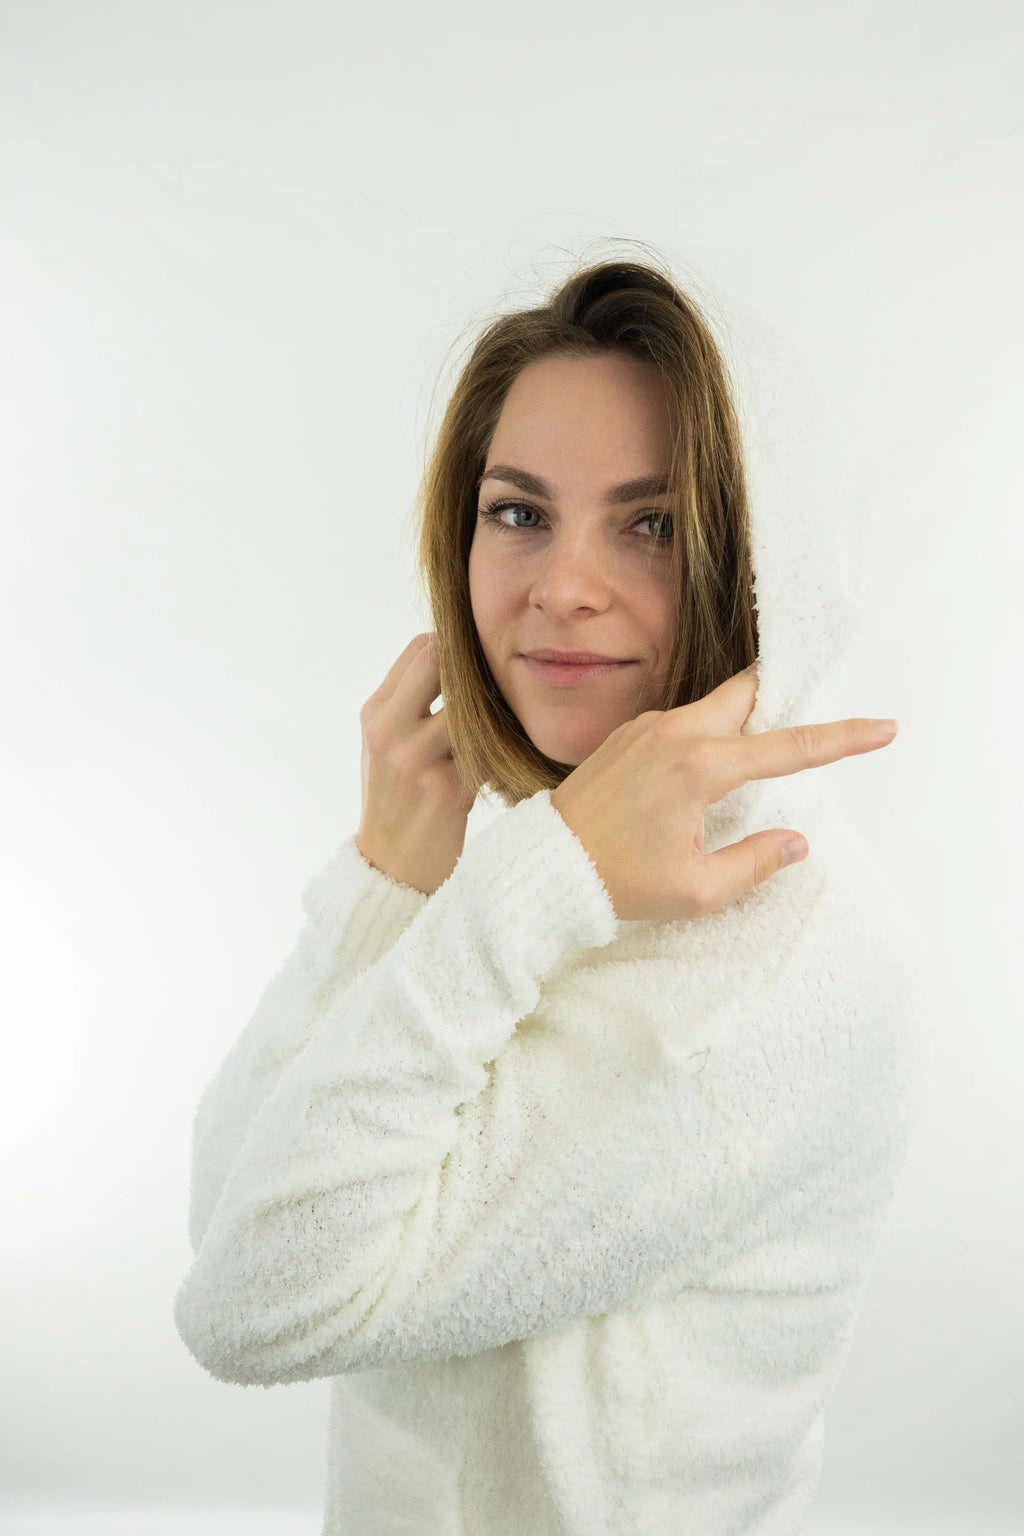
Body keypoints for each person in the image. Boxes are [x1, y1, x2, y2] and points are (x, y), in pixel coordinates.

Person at [173, 254, 925, 1534]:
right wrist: (383, 892)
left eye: (653, 524)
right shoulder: (568, 859)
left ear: (768, 568)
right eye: (518, 511)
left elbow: (257, 1306)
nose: (561, 587)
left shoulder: (770, 953)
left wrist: (515, 893)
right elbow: (234, 1211)